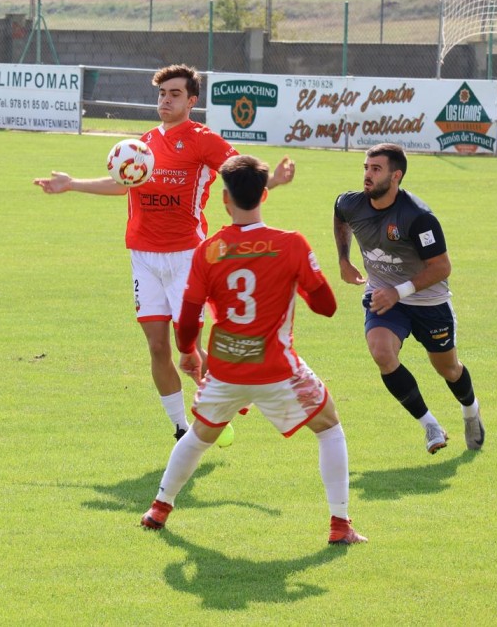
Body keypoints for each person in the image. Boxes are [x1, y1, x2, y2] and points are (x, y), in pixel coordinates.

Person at [33, 64, 294, 441]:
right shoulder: (144, 143)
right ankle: (180, 428)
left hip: (187, 258)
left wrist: (273, 180)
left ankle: (227, 387)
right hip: (143, 257)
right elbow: (122, 183)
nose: (165, 100)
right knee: (157, 346)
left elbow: (240, 175)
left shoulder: (203, 139)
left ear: (191, 101)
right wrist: (71, 183)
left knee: (189, 352)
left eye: (174, 94)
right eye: (161, 94)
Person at [140, 155, 366, 545]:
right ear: (264, 194)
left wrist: (188, 351)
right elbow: (326, 307)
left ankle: (159, 508)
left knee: (197, 437)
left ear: (225, 199)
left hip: (226, 370)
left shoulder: (209, 250)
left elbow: (190, 315)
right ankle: (340, 525)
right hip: (278, 369)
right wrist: (300, 278)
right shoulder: (291, 243)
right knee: (329, 428)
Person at [333, 142, 484, 454]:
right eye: (365, 167)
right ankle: (430, 424)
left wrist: (398, 291)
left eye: (376, 169)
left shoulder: (417, 217)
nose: (367, 175)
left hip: (429, 303)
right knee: (381, 353)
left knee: (448, 370)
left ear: (396, 176)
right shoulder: (351, 203)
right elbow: (340, 214)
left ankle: (470, 411)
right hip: (383, 297)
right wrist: (343, 259)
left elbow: (442, 267)